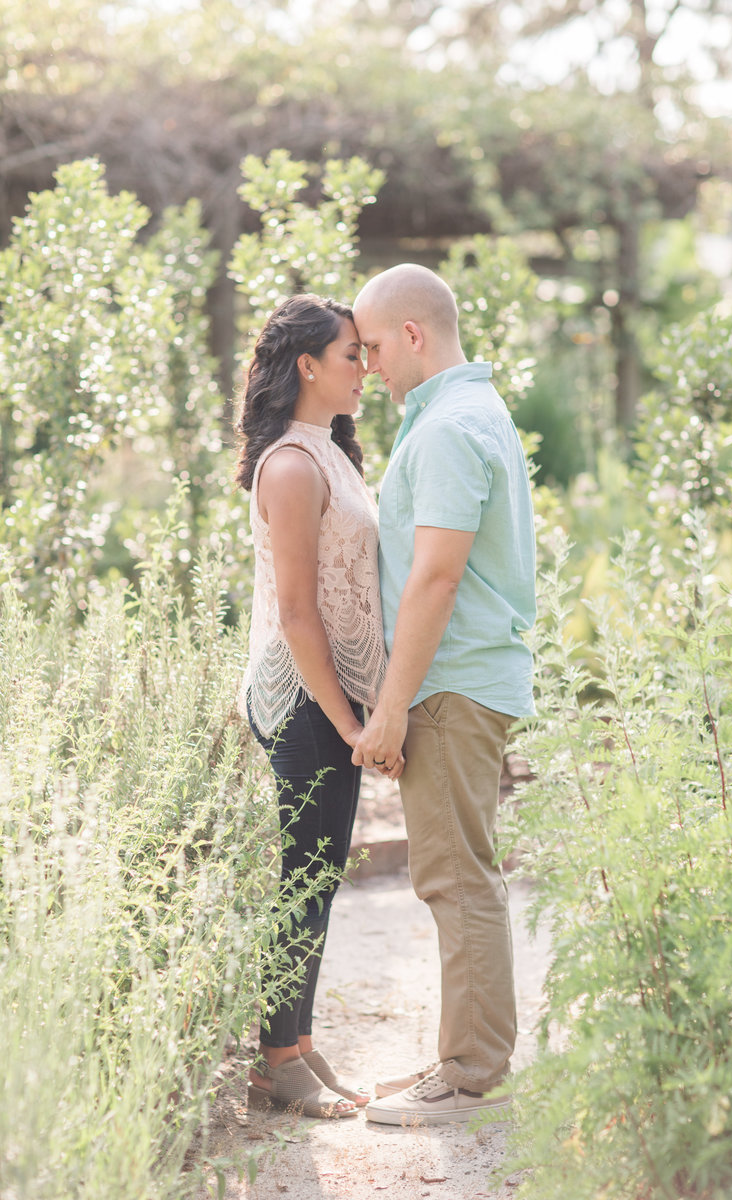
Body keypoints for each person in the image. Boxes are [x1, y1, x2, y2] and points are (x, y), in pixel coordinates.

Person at [350, 263, 536, 1125]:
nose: (371, 366)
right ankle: (463, 1064)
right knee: (456, 874)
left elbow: (435, 578)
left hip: (451, 685)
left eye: (376, 347)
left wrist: (390, 707)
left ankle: (470, 1080)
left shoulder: (450, 428)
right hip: (458, 680)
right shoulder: (460, 414)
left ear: (414, 336)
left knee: (457, 878)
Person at [235, 294, 399, 1120]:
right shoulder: (293, 467)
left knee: (321, 876)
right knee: (304, 880)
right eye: (349, 355)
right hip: (302, 699)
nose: (366, 369)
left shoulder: (330, 452)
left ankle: (295, 1046)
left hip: (332, 695)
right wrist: (349, 723)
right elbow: (298, 612)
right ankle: (276, 1065)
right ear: (306, 366)